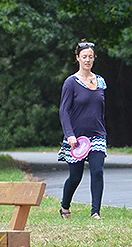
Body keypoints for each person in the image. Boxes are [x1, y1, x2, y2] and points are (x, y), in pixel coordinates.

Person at [57, 39, 108, 220]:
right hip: (77, 138)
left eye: (91, 57)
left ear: (94, 59)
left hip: (97, 136)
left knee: (97, 171)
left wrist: (101, 130)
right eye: (84, 57)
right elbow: (64, 111)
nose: (88, 60)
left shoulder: (100, 81)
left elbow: (100, 109)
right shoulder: (71, 83)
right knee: (75, 176)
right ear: (78, 58)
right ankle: (64, 206)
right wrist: (70, 135)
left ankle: (95, 212)